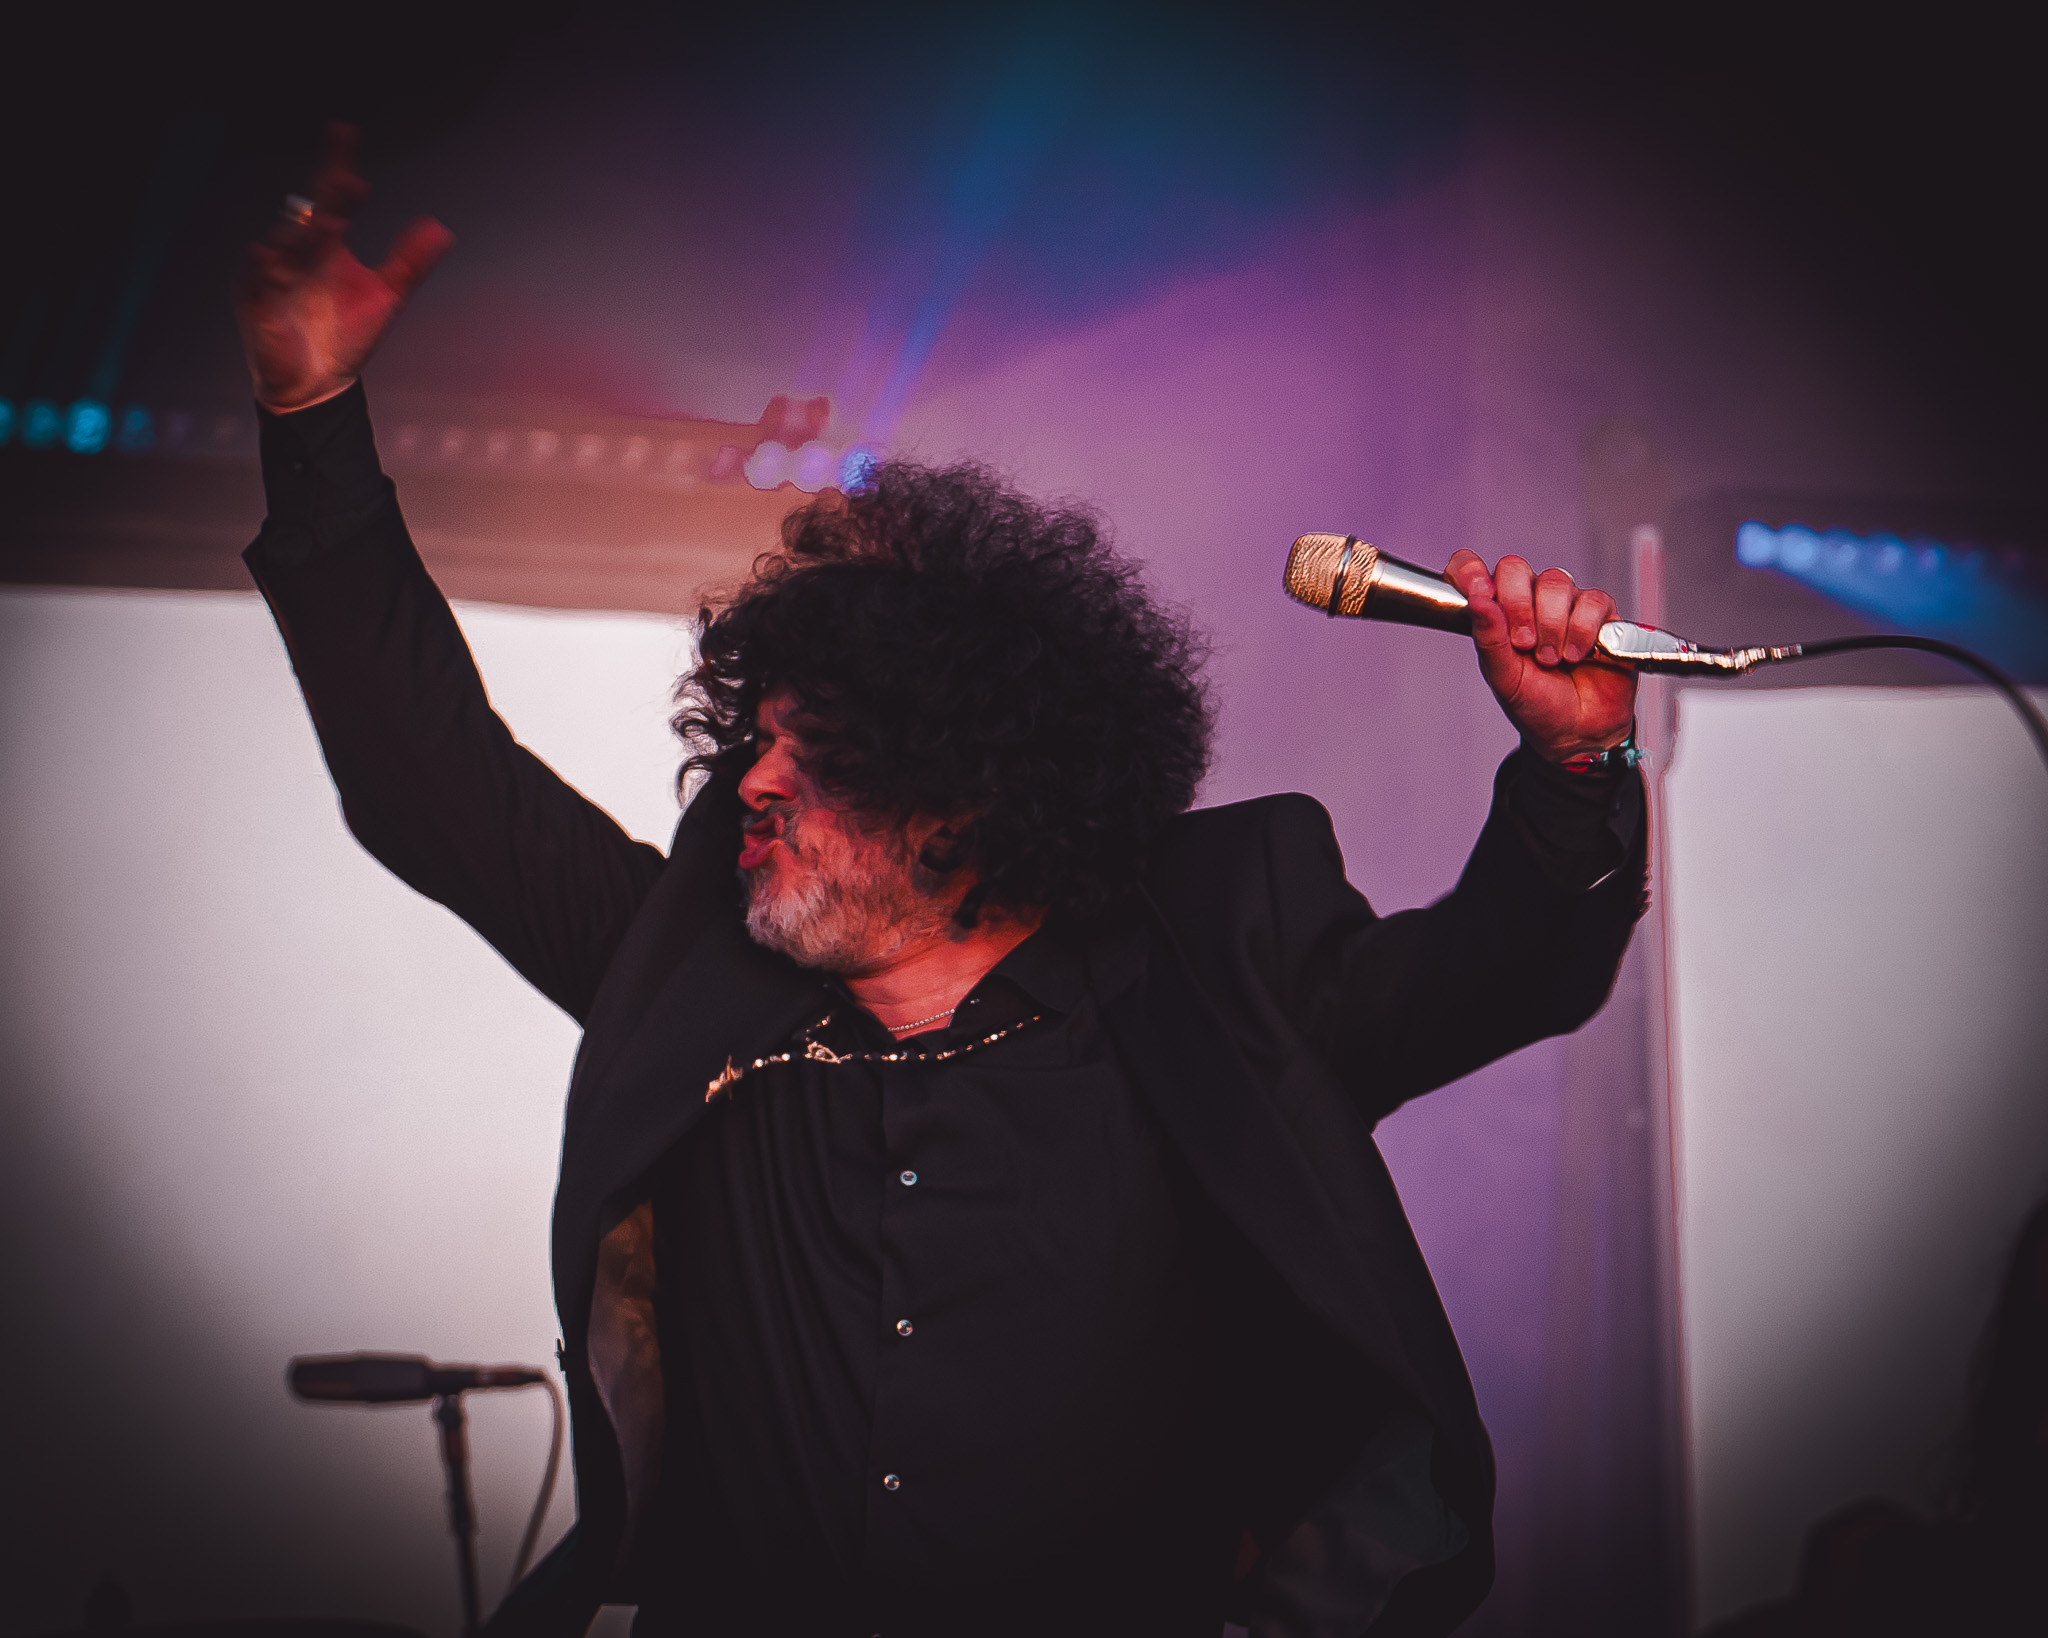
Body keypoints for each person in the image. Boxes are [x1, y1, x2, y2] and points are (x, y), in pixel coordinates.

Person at [237, 128, 1647, 1638]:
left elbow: (1514, 969)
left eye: (818, 754)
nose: (755, 782)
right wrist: (309, 413)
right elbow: (431, 777)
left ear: (971, 790)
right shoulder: (686, 982)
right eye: (756, 741)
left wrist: (1576, 763)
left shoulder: (1213, 981)